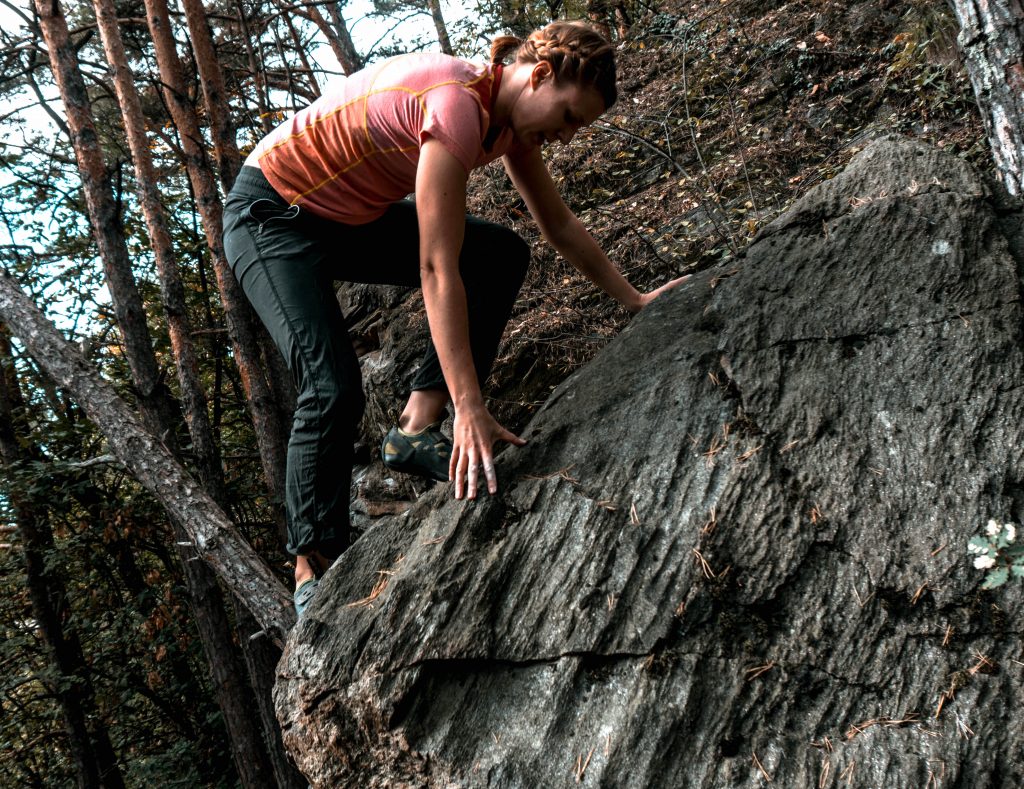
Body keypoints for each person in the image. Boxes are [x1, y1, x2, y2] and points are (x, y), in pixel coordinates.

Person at [222, 20, 687, 616]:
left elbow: (560, 227)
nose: (568, 136)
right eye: (569, 117)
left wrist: (636, 300)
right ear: (539, 76)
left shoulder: (510, 124)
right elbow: (436, 268)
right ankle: (313, 568)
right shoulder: (455, 105)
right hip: (273, 215)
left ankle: (412, 431)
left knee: (500, 254)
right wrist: (471, 405)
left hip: (346, 219)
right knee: (332, 384)